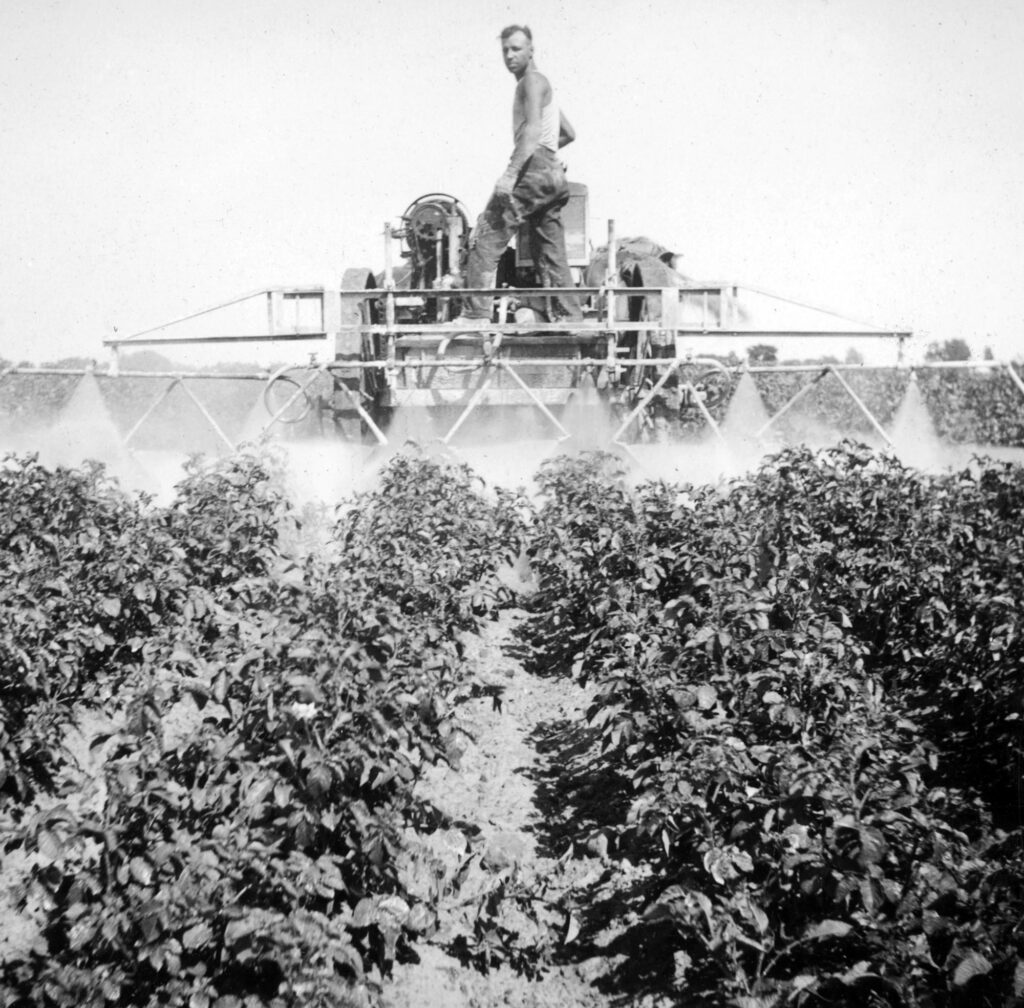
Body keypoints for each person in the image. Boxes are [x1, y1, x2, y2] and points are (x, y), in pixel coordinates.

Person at [454, 24, 582, 326]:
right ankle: (571, 318)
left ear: (531, 50)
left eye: (516, 49)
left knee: (486, 234)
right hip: (551, 176)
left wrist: (512, 174)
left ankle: (475, 315)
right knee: (550, 252)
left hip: (532, 169)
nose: (510, 56)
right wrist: (550, 161)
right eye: (505, 51)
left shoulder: (530, 82)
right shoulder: (541, 84)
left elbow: (534, 130)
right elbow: (568, 134)